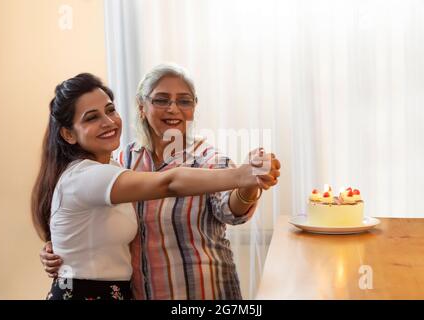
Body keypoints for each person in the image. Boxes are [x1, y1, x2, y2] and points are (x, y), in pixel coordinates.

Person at [39, 65, 281, 300]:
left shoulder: (209, 159)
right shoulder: (120, 161)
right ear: (141, 106)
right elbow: (167, 184)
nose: (173, 108)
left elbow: (232, 211)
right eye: (162, 100)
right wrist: (63, 250)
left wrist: (250, 181)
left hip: (203, 292)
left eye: (184, 101)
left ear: (194, 108)